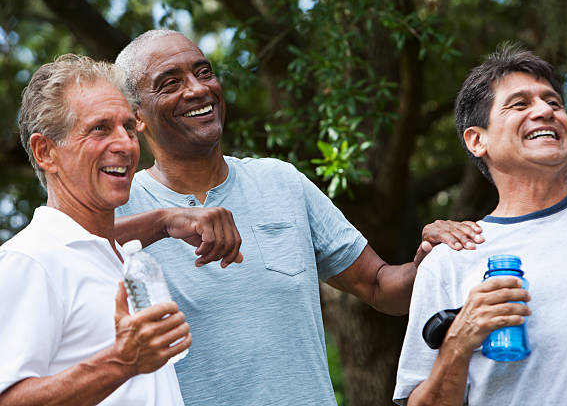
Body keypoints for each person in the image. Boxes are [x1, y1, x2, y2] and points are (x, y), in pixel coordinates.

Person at [113, 29, 485, 405]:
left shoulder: (280, 181)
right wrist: (163, 222)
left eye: (204, 72)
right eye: (171, 83)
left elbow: (378, 286)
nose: (197, 89)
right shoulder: (120, 208)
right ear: (136, 116)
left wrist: (428, 262)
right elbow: (60, 252)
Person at [393, 44, 567, 405]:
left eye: (554, 103)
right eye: (520, 104)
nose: (546, 111)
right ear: (478, 140)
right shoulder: (450, 259)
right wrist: (459, 340)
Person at [0, 54, 192, 405]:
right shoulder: (30, 260)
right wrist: (122, 361)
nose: (126, 144)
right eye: (100, 128)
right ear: (46, 152)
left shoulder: (115, 257)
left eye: (129, 128)